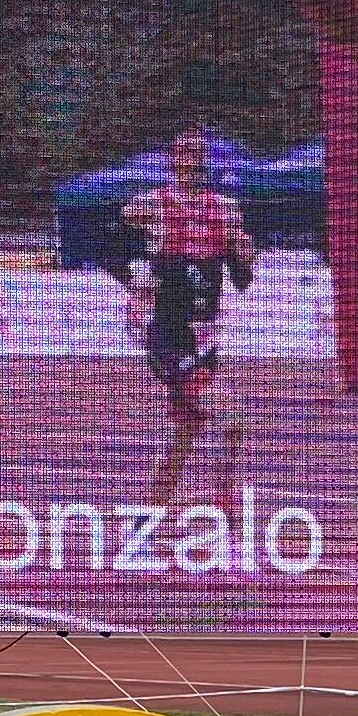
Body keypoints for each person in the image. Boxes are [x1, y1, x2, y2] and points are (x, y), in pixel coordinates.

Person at [121, 132, 258, 507]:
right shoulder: (154, 205)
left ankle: (151, 512)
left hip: (204, 335)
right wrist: (139, 274)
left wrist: (245, 256)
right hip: (168, 334)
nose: (190, 163)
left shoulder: (224, 212)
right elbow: (113, 235)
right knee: (230, 418)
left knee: (183, 433)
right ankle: (227, 511)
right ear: (172, 160)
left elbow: (242, 281)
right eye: (183, 155)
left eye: (197, 155)